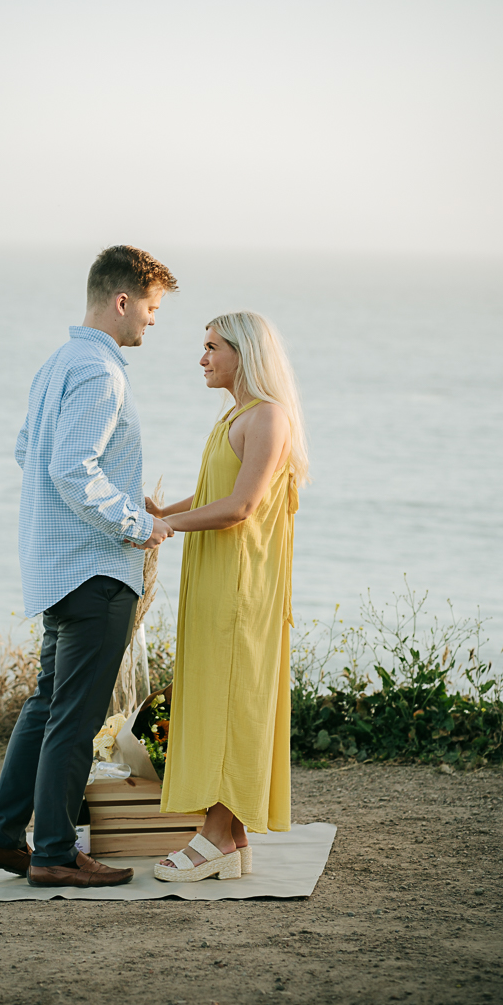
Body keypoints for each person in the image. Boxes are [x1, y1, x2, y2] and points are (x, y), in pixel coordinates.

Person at [0, 245, 177, 889]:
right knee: (75, 716)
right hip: (94, 570)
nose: (152, 321)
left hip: (56, 565)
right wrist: (140, 524)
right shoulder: (102, 372)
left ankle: (5, 837)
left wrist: (117, 490)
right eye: (151, 307)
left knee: (45, 706)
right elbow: (68, 467)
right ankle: (55, 852)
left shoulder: (57, 363)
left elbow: (29, 451)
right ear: (122, 301)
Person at [147, 311, 308, 882]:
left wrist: (170, 527)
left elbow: (241, 505)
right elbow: (217, 489)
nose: (203, 357)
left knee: (229, 699)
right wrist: (162, 510)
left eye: (213, 347)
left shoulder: (268, 416)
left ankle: (214, 832)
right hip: (217, 578)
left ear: (246, 354)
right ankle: (232, 837)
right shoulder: (236, 416)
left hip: (242, 586)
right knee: (216, 693)